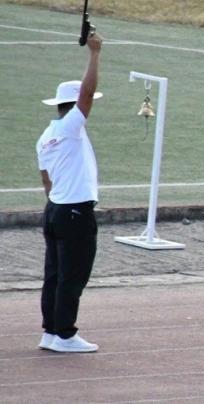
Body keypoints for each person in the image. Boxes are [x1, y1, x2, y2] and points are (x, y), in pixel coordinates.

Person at [36, 31, 104, 353]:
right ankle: (64, 334)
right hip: (75, 211)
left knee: (54, 274)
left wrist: (56, 203)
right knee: (72, 276)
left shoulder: (46, 135)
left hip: (55, 210)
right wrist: (95, 54)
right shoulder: (70, 127)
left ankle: (51, 331)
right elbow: (88, 95)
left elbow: (46, 181)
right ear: (72, 106)